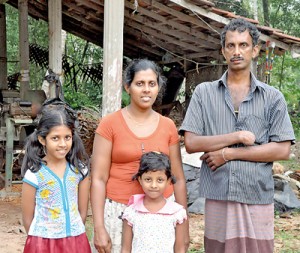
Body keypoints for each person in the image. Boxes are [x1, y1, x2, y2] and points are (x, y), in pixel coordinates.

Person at [179, 18, 295, 253]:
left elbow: (282, 149)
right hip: (218, 193)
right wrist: (237, 136)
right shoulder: (204, 93)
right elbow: (191, 143)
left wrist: (227, 154)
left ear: (255, 50)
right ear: (223, 51)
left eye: (243, 45)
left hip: (256, 193)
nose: (237, 51)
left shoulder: (272, 97)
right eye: (230, 45)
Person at [91, 59, 189, 253]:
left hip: (160, 215)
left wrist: (183, 226)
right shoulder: (109, 125)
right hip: (118, 211)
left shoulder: (168, 126)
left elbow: (178, 179)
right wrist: (99, 227)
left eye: (152, 84)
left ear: (158, 87)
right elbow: (98, 178)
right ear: (128, 87)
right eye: (139, 84)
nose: (146, 90)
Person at [21, 99, 91, 253]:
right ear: (42, 139)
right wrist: (39, 242)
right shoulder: (34, 174)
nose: (62, 144)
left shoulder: (80, 170)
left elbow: (82, 212)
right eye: (55, 138)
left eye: (67, 137)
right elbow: (27, 218)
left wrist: (73, 235)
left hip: (75, 240)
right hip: (42, 243)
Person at [121, 151, 187, 253]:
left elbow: (180, 249)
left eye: (160, 180)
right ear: (140, 180)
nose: (154, 185)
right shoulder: (131, 212)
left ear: (168, 181)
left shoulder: (177, 213)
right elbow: (125, 249)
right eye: (148, 179)